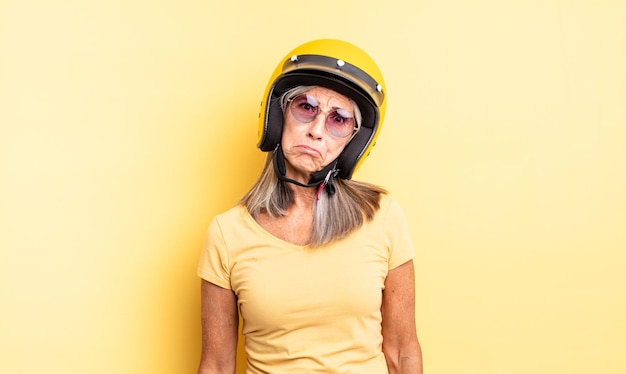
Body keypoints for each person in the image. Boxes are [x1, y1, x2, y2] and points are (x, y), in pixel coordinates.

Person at [197, 39, 423, 374]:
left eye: (339, 119)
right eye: (306, 107)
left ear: (354, 141)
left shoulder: (383, 216)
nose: (317, 131)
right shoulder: (227, 233)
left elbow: (402, 349)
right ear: (278, 116)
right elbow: (216, 365)